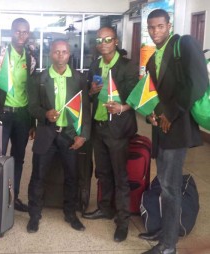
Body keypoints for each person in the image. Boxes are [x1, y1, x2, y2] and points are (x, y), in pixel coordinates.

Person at [139, 9, 208, 254]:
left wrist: (172, 112)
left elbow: (198, 83)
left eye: (159, 26)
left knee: (170, 187)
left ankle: (168, 245)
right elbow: (152, 94)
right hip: (161, 129)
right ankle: (165, 229)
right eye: (151, 27)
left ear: (169, 25)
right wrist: (151, 113)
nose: (155, 31)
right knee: (166, 183)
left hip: (177, 128)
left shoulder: (184, 45)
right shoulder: (152, 58)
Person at [26, 39, 91, 233]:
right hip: (47, 133)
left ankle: (70, 213)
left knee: (72, 176)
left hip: (70, 135)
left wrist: (83, 135)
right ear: (50, 54)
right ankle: (34, 215)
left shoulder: (78, 78)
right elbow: (32, 107)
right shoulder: (40, 79)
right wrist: (44, 114)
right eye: (56, 52)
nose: (60, 55)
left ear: (69, 54)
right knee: (38, 176)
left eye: (64, 52)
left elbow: (84, 108)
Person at [82, 26, 138, 242]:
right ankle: (105, 208)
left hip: (118, 128)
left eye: (108, 39)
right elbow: (89, 91)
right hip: (99, 125)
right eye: (100, 39)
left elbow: (135, 96)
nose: (104, 42)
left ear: (116, 42)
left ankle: (123, 221)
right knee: (103, 172)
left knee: (120, 175)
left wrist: (122, 108)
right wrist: (91, 91)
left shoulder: (126, 66)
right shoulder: (95, 64)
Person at [0, 18, 37, 212]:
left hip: (22, 115)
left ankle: (12, 198)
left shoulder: (31, 57)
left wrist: (32, 121)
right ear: (11, 32)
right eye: (18, 31)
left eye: (25, 32)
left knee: (18, 158)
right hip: (2, 115)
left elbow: (31, 91)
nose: (21, 35)